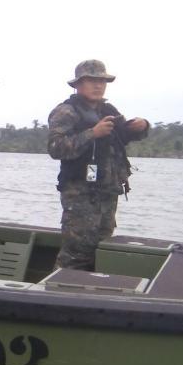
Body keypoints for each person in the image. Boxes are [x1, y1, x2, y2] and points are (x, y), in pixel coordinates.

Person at [48, 59, 149, 270]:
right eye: (91, 81)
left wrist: (140, 127)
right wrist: (92, 134)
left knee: (101, 248)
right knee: (76, 253)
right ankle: (58, 294)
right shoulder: (66, 111)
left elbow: (123, 135)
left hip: (108, 193)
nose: (98, 85)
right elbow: (56, 148)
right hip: (80, 194)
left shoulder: (108, 110)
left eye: (102, 81)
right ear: (77, 84)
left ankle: (89, 295)